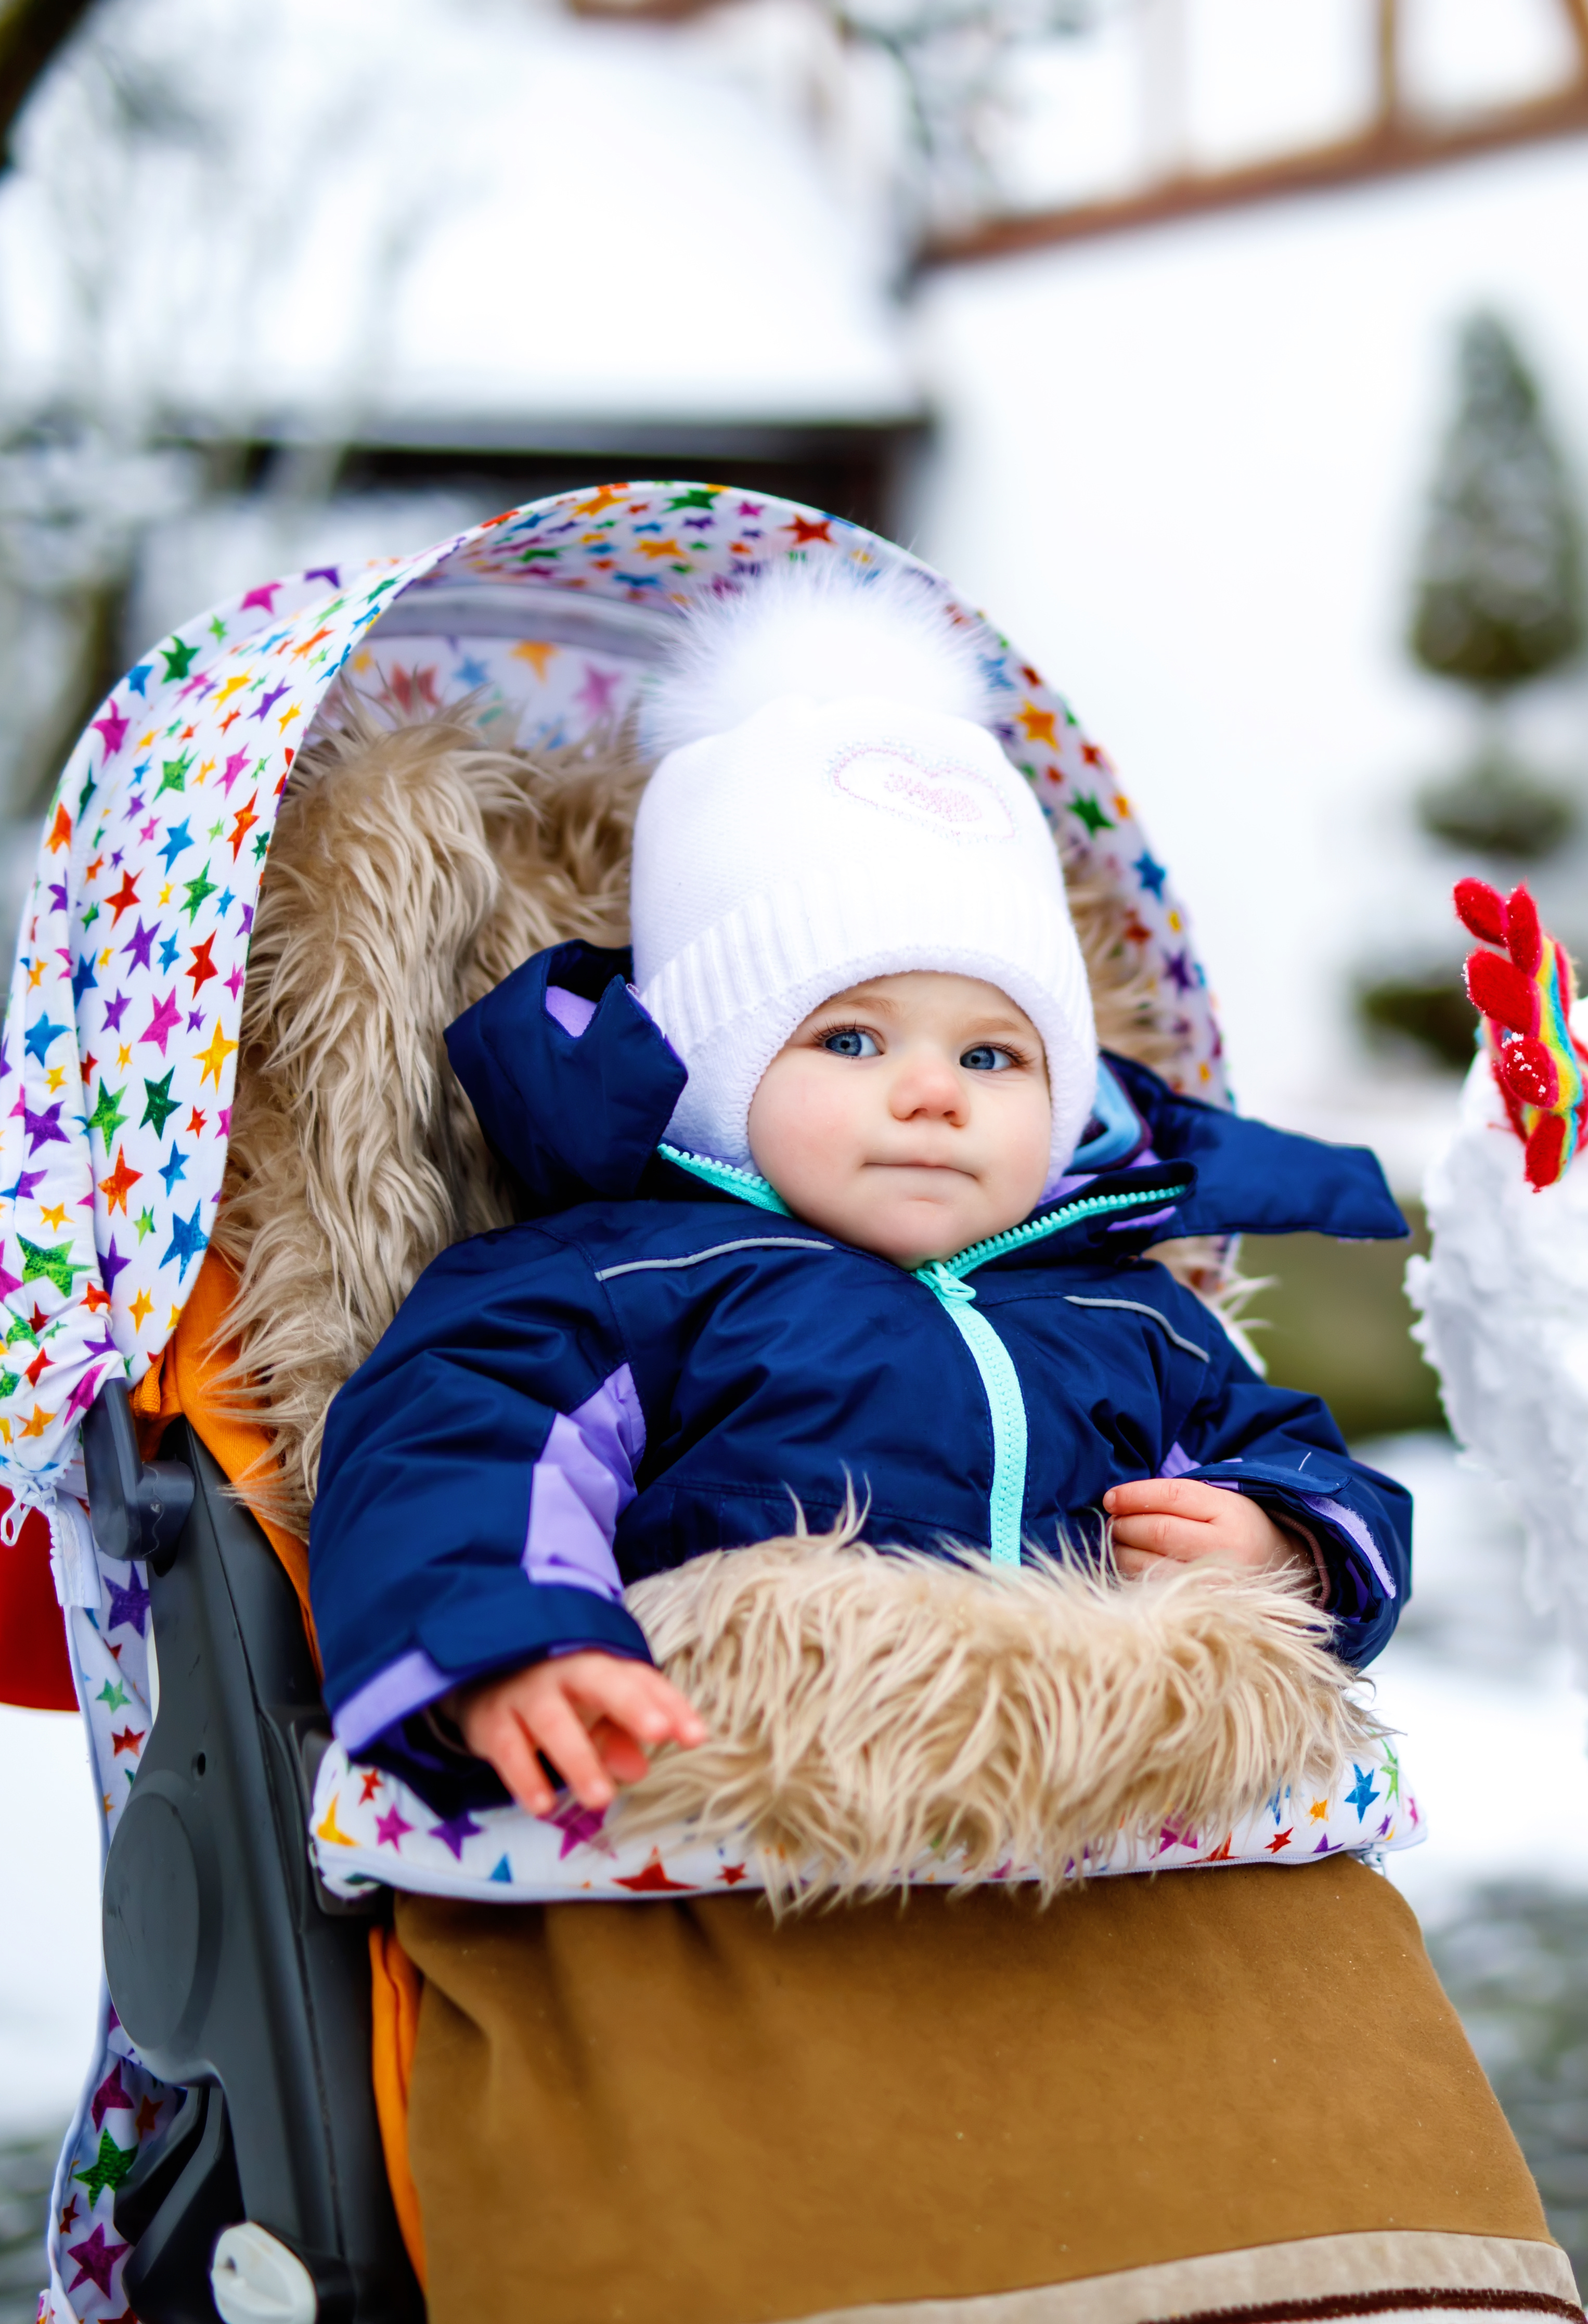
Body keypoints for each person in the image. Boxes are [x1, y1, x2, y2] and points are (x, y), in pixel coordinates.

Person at [307, 564, 1414, 1819]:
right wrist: (513, 1642)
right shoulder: (615, 1280)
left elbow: (1299, 1456)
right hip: (752, 1795)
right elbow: (464, 1442)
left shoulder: (1135, 1318)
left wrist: (1288, 1542)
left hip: (1093, 1817)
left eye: (991, 1056)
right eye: (850, 1039)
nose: (933, 1092)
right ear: (720, 1074)